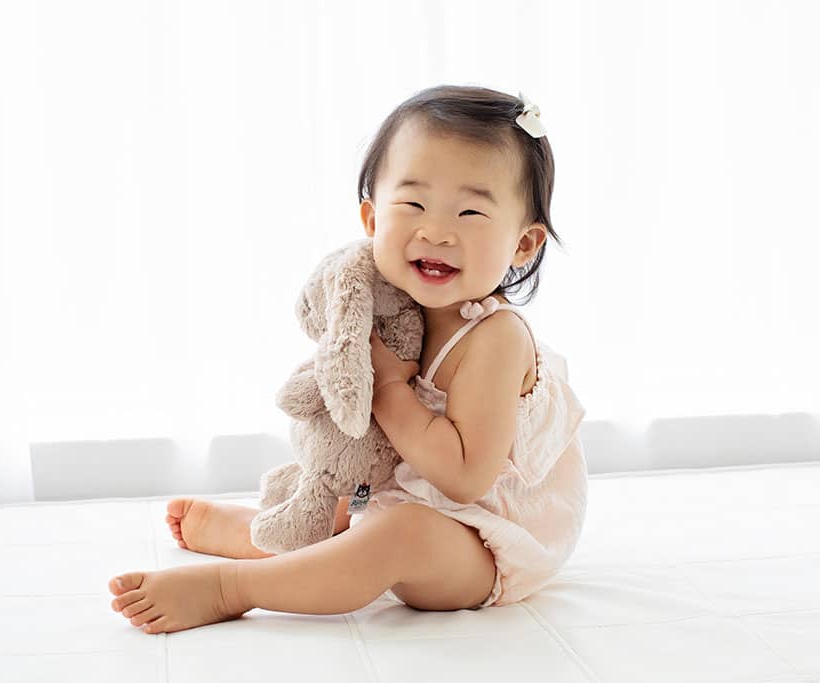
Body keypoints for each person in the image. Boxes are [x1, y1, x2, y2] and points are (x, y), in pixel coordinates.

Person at [107, 84, 588, 634]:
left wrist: (387, 388)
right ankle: (264, 533)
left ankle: (232, 587)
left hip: (487, 541)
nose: (436, 231)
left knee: (398, 534)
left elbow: (463, 478)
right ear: (372, 219)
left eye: (471, 211)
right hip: (404, 489)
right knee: (346, 492)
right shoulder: (387, 304)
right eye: (412, 204)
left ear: (523, 244)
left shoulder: (495, 338)